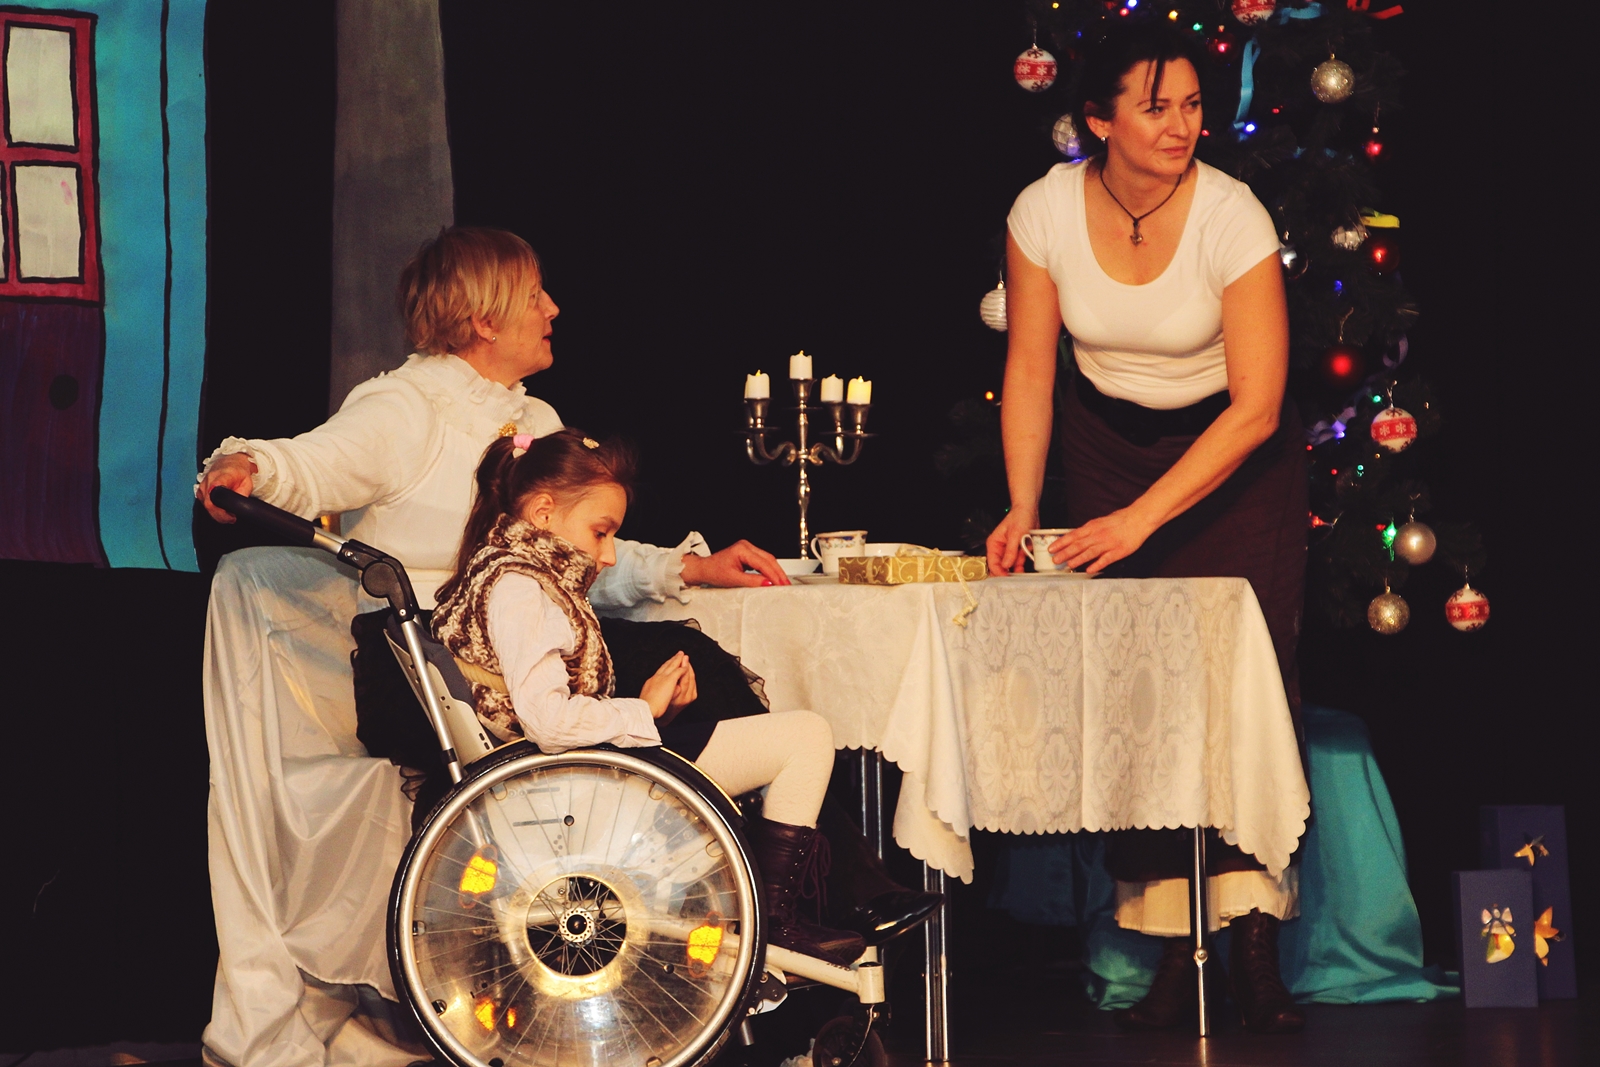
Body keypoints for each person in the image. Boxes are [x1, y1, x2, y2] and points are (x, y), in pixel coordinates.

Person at [985, 23, 1308, 1034]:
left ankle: (1253, 936)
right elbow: (1030, 368)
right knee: (1143, 691)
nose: (1182, 125)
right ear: (1097, 120)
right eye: (1156, 106)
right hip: (1106, 446)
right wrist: (1024, 503)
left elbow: (1257, 406)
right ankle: (1171, 937)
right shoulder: (1043, 211)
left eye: (1193, 105)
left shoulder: (1232, 215)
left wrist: (1140, 519)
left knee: (1240, 685)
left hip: (1231, 461)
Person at [432, 428, 866, 966]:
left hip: (574, 774)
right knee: (805, 737)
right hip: (570, 785)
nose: (609, 554)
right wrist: (645, 710)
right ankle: (773, 925)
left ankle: (772, 918)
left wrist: (657, 711)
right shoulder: (520, 587)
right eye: (601, 532)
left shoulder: (514, 573)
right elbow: (546, 720)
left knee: (785, 732)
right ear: (543, 513)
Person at [197, 226, 786, 609]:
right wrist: (248, 465)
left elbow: (578, 556)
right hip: (438, 676)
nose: (553, 309)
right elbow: (314, 464)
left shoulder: (537, 417)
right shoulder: (407, 406)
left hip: (531, 658)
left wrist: (694, 567)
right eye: (534, 296)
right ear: (485, 321)